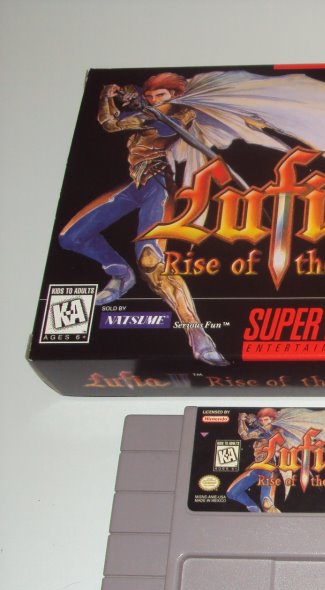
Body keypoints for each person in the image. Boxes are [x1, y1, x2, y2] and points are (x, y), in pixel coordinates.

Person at [58, 72, 227, 366]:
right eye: (150, 96)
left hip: (159, 187)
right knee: (71, 237)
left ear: (175, 95)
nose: (154, 100)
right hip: (135, 185)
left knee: (151, 263)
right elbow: (109, 123)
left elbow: (166, 121)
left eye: (160, 96)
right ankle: (121, 273)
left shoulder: (182, 113)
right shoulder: (144, 113)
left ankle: (197, 333)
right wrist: (108, 95)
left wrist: (143, 107)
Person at [226, 409, 283, 512]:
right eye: (261, 420)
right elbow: (244, 434)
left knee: (267, 504)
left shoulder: (277, 430)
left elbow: (278, 440)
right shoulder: (259, 431)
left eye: (266, 419)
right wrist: (241, 420)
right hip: (257, 467)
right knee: (232, 493)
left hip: (269, 469)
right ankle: (255, 512)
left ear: (272, 420)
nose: (263, 422)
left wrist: (255, 423)